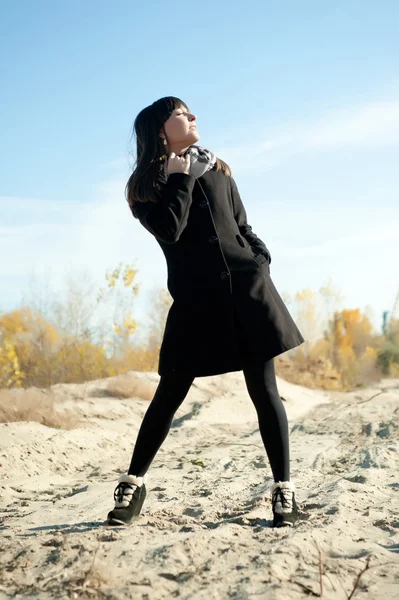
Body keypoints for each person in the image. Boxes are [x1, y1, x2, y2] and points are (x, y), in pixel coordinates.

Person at [106, 96, 305, 528]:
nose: (192, 117)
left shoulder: (219, 169)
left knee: (265, 391)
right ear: (161, 129)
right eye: (181, 114)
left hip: (246, 291)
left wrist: (260, 259)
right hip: (195, 302)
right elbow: (170, 230)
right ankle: (132, 485)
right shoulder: (146, 186)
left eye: (190, 112)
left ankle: (283, 492)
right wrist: (180, 177)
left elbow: (242, 226)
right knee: (168, 395)